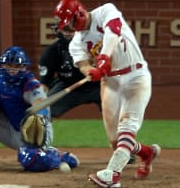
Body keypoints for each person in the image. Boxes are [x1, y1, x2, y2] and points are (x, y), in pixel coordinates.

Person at [53, 0, 161, 188]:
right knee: (115, 139)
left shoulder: (105, 11)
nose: (66, 28)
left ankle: (112, 175)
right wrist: (91, 72)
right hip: (110, 83)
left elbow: (113, 32)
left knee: (127, 126)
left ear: (78, 14)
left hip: (135, 75)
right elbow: (83, 65)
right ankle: (146, 152)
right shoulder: (75, 43)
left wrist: (104, 57)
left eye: (67, 23)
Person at [0, 46, 79, 172]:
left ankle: (59, 157)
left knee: (30, 160)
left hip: (34, 133)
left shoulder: (31, 85)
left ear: (24, 67)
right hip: (9, 126)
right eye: (9, 65)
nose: (12, 70)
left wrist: (38, 114)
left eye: (17, 66)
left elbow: (41, 108)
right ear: (2, 65)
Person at [38, 24, 136, 164]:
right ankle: (41, 149)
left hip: (100, 85)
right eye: (66, 30)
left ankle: (124, 149)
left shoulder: (96, 44)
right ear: (59, 31)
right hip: (69, 86)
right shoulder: (53, 51)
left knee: (117, 112)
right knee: (44, 112)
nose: (69, 34)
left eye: (73, 30)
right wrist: (41, 102)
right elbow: (44, 84)